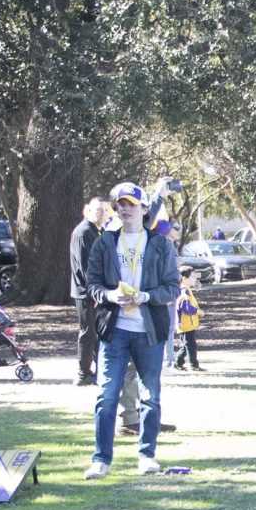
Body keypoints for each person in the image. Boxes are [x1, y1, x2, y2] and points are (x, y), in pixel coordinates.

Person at [83, 187, 179, 478]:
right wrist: (111, 296)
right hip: (115, 331)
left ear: (144, 209)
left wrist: (146, 297)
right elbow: (92, 284)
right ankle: (101, 459)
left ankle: (147, 455)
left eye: (131, 205)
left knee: (150, 396)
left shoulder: (160, 245)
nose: (125, 210)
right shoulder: (105, 243)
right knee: (107, 395)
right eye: (120, 205)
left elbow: (172, 287)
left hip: (148, 331)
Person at [70, 198, 109, 385]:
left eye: (103, 210)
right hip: (86, 292)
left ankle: (98, 370)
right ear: (87, 210)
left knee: (96, 332)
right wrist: (94, 292)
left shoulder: (95, 231)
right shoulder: (84, 232)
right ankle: (83, 373)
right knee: (88, 332)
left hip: (92, 291)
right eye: (97, 210)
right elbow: (86, 267)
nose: (101, 213)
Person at [172, 272, 205, 369]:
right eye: (192, 277)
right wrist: (198, 312)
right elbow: (186, 308)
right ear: (184, 278)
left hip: (188, 323)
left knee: (186, 345)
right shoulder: (184, 291)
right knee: (190, 345)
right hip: (185, 324)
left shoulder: (187, 290)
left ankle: (178, 363)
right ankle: (193, 365)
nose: (194, 279)